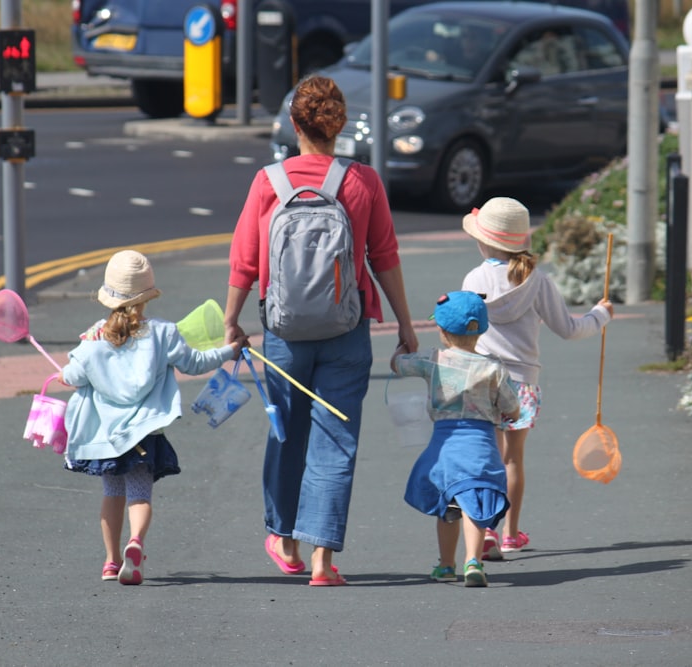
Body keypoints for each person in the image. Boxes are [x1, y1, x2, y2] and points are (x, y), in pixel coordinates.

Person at [224, 74, 419, 587]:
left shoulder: (269, 182)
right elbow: (385, 256)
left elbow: (244, 260)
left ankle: (282, 538)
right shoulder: (363, 182)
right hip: (346, 329)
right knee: (336, 440)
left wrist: (231, 319)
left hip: (284, 332)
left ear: (294, 124)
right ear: (340, 124)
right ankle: (322, 563)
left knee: (287, 431)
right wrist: (404, 322)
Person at [60, 249, 246, 585]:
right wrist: (230, 351)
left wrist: (65, 372)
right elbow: (196, 363)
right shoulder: (163, 333)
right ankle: (136, 543)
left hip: (107, 435)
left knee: (111, 495)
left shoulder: (94, 338)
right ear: (147, 297)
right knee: (140, 495)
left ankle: (111, 560)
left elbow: (72, 376)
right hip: (146, 433)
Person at [460, 197, 613, 559]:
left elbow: (463, 328)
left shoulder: (474, 278)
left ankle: (485, 531)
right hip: (521, 383)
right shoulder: (537, 281)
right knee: (513, 460)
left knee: (487, 458)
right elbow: (569, 329)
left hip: (482, 380)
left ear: (484, 242)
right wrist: (600, 315)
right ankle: (511, 534)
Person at [390, 291, 520, 588]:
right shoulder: (494, 368)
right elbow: (512, 407)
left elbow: (397, 365)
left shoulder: (432, 360)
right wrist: (509, 414)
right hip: (482, 445)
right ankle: (473, 561)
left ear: (443, 330)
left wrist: (403, 347)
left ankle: (446, 565)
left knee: (448, 505)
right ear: (482, 330)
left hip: (445, 447)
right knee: (475, 503)